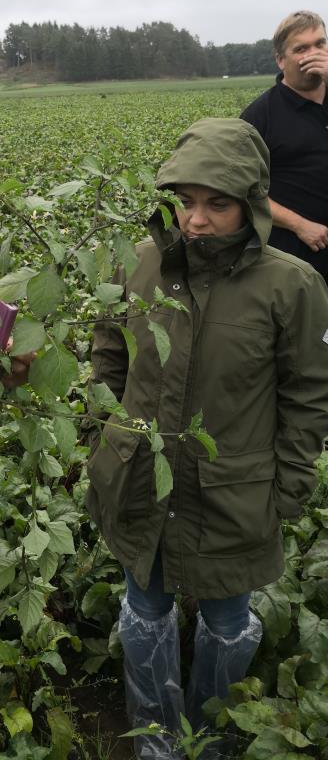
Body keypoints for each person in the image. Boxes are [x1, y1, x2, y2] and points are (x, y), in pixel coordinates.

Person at [85, 118, 328, 758]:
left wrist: (290, 484)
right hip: (141, 474)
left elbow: (307, 392)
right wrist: (104, 438)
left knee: (226, 619)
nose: (196, 220)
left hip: (234, 489)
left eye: (217, 203)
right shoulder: (139, 264)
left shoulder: (290, 285)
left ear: (251, 204)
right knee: (146, 606)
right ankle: (155, 736)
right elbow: (109, 356)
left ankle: (210, 735)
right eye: (185, 201)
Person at [241, 10, 328, 278]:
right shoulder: (259, 116)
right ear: (281, 60)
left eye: (320, 44)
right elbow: (242, 190)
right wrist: (299, 225)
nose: (313, 54)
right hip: (298, 260)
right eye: (301, 48)